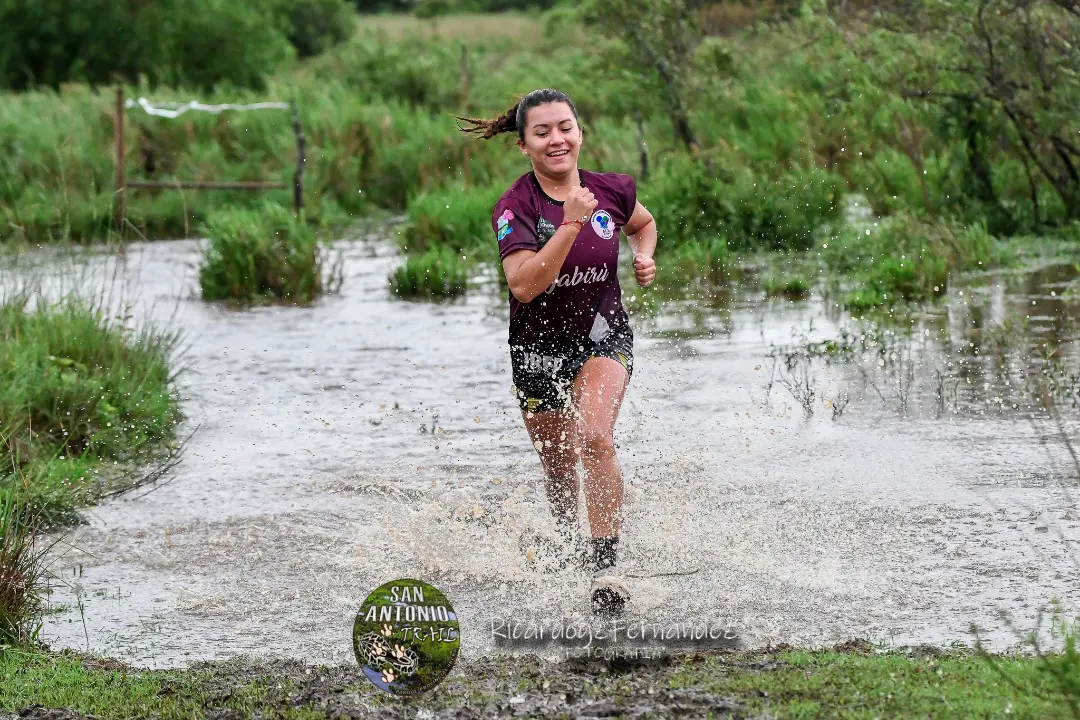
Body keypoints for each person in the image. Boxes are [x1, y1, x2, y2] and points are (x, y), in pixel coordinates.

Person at [458, 88, 658, 618]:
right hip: (537, 347)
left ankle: (606, 566)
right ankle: (570, 546)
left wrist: (644, 257)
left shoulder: (612, 189)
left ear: (580, 131)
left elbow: (643, 222)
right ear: (523, 145)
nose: (556, 140)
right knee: (558, 464)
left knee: (595, 437)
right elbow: (523, 286)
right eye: (542, 132)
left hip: (602, 335)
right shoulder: (514, 207)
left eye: (564, 127)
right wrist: (570, 222)